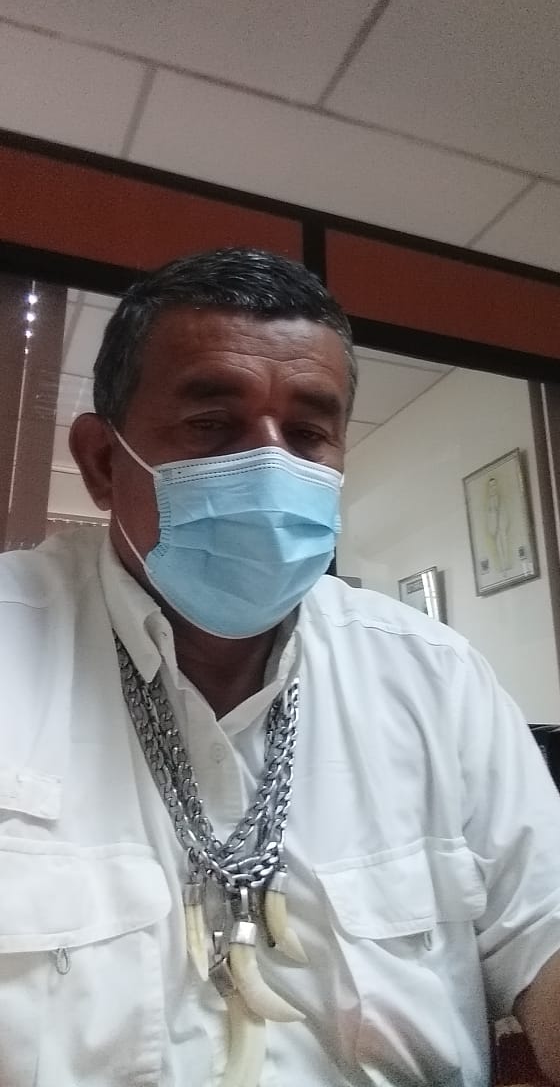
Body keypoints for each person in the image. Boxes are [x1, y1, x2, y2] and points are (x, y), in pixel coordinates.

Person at [0, 247, 559, 1087]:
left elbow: (546, 929)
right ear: (104, 463)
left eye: (306, 434)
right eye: (211, 424)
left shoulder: (436, 678)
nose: (271, 467)